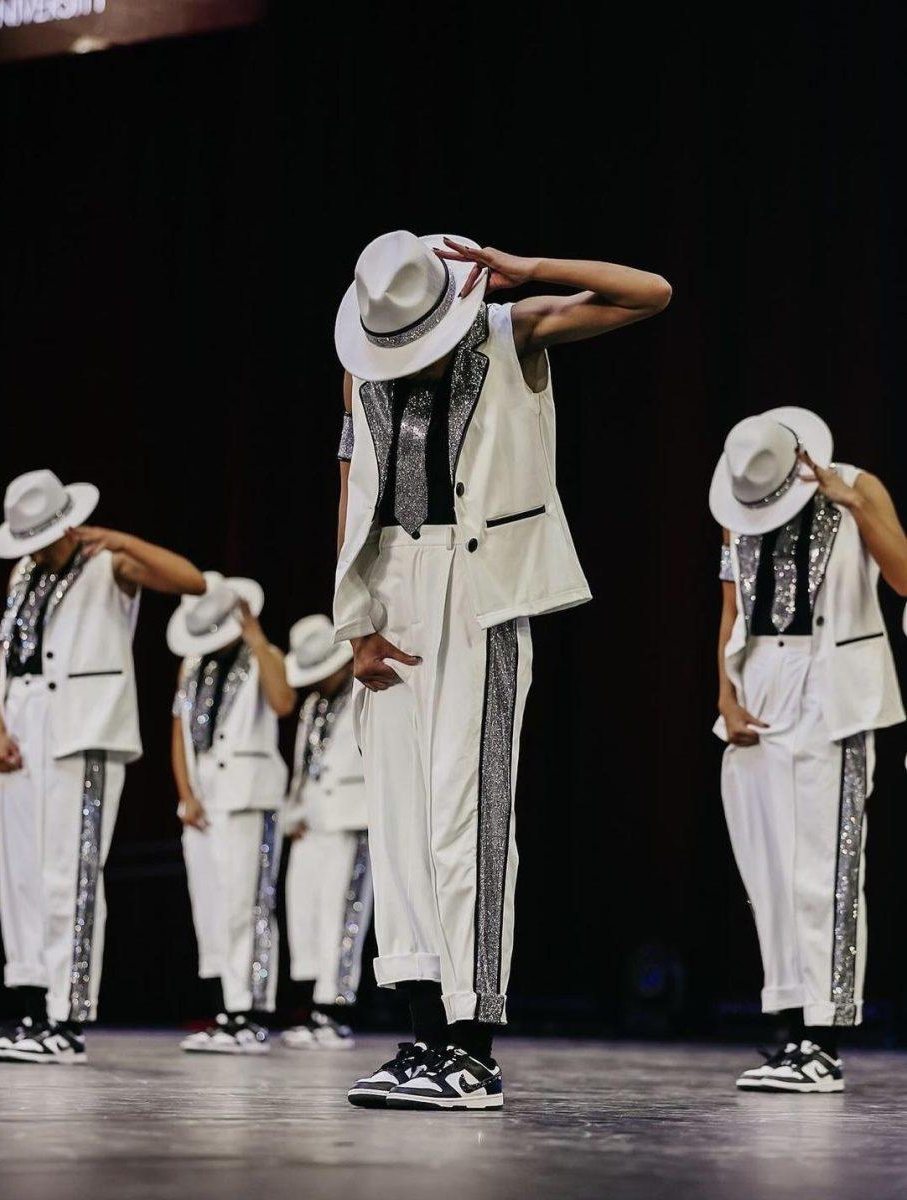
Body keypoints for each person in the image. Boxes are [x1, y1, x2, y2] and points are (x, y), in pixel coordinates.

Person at [333, 230, 671, 1110]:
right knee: (399, 822)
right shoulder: (364, 363)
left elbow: (650, 292)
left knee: (467, 813)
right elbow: (354, 489)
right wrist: (355, 623)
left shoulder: (505, 329)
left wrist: (529, 270)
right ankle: (421, 1037)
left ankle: (472, 1047)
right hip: (395, 587)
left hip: (479, 588)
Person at [0, 468, 205, 1064]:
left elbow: (193, 582)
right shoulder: (22, 572)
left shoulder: (109, 563)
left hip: (83, 727)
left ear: (68, 522)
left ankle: (67, 1018)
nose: (36, 549)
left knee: (71, 874)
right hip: (22, 727)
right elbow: (8, 653)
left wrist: (121, 540)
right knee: (21, 872)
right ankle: (30, 1007)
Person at [711, 409, 907, 1092]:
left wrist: (854, 505)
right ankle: (789, 1030)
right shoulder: (740, 502)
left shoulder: (858, 485)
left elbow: (906, 577)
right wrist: (726, 696)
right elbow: (731, 611)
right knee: (768, 868)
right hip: (761, 681)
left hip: (831, 689)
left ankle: (822, 1040)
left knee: (822, 868)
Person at [169, 573, 295, 1054]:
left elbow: (283, 703)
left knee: (249, 904)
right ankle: (227, 1007)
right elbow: (179, 734)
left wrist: (257, 637)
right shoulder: (192, 667)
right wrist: (187, 794)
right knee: (213, 906)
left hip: (249, 794)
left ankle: (252, 1013)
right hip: (206, 798)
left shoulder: (265, 658)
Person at [280, 614, 371, 1051]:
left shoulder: (365, 691)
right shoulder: (313, 704)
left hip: (350, 817)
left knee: (343, 915)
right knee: (307, 915)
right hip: (311, 819)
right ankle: (314, 1008)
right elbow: (303, 762)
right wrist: (293, 810)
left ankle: (334, 1012)